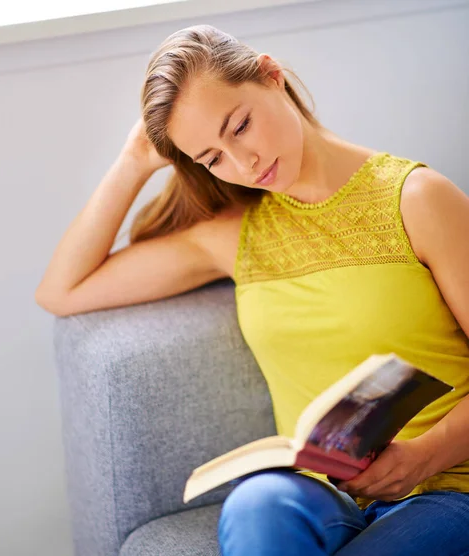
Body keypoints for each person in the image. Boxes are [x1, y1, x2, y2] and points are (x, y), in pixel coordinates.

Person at [35, 24, 469, 555]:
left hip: (452, 487)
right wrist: (132, 163)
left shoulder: (418, 199)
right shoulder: (235, 235)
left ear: (271, 76)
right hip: (326, 495)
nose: (244, 164)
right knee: (255, 503)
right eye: (213, 157)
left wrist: (423, 456)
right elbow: (63, 289)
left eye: (239, 126)